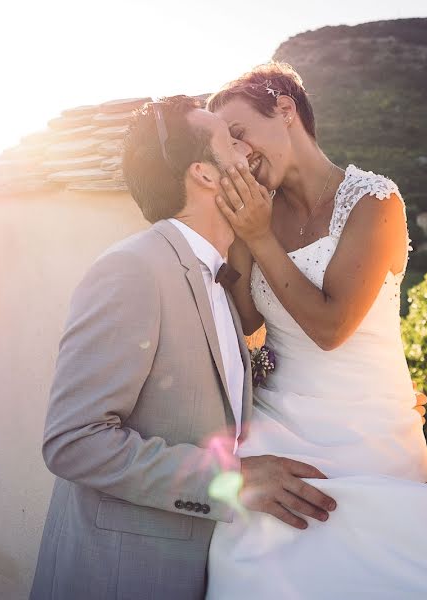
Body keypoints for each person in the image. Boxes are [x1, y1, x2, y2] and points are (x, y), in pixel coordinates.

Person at [204, 61, 427, 598]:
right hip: (281, 422)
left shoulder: (375, 201)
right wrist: (239, 235)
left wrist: (259, 238)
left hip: (367, 430)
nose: (240, 152)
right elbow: (248, 322)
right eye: (228, 145)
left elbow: (331, 326)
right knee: (254, 554)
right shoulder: (259, 213)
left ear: (286, 110)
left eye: (241, 132)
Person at [29, 95, 341, 600]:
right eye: (230, 140)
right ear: (206, 174)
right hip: (121, 575)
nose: (246, 149)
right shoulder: (132, 269)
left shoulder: (218, 277)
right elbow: (74, 441)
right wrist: (233, 479)